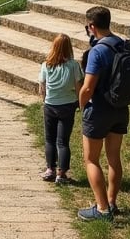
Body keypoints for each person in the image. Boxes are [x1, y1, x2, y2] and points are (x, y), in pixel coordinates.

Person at [77, 6, 128, 222]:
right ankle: (112, 202)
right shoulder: (122, 44)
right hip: (120, 108)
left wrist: (81, 106)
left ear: (91, 26)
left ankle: (102, 209)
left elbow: (88, 88)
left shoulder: (97, 51)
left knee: (91, 160)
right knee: (114, 158)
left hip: (99, 110)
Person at [38, 34, 83, 185]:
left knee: (49, 139)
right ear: (69, 48)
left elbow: (42, 87)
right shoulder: (73, 65)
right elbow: (78, 87)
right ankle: (61, 174)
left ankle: (50, 169)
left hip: (50, 105)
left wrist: (45, 101)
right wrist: (80, 103)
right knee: (63, 142)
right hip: (68, 105)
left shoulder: (46, 65)